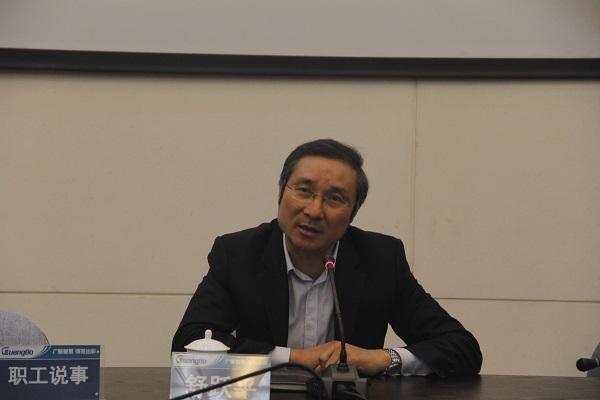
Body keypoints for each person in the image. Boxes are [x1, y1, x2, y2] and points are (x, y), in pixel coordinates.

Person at [172, 138, 482, 377]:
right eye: (303, 190)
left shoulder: (381, 259)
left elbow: (462, 347)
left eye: (334, 198)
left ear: (353, 212)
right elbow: (189, 343)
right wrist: (295, 358)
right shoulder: (239, 254)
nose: (314, 210)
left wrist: (383, 358)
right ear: (280, 192)